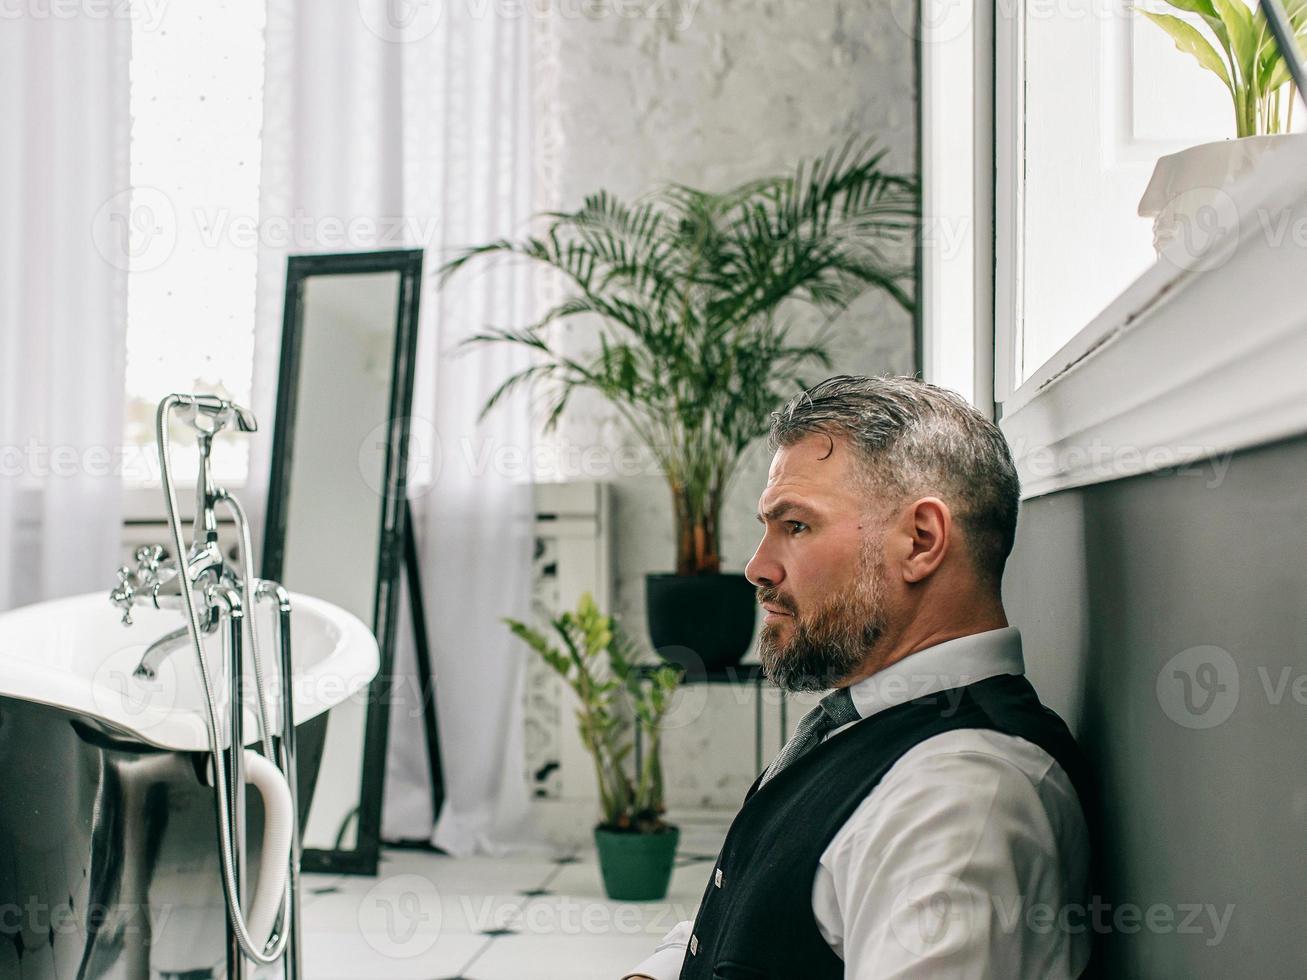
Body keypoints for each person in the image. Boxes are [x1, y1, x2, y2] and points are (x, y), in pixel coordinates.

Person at [622, 375, 1092, 980]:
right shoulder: (873, 718)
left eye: (796, 526)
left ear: (921, 541)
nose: (757, 567)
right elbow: (752, 912)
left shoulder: (959, 804)